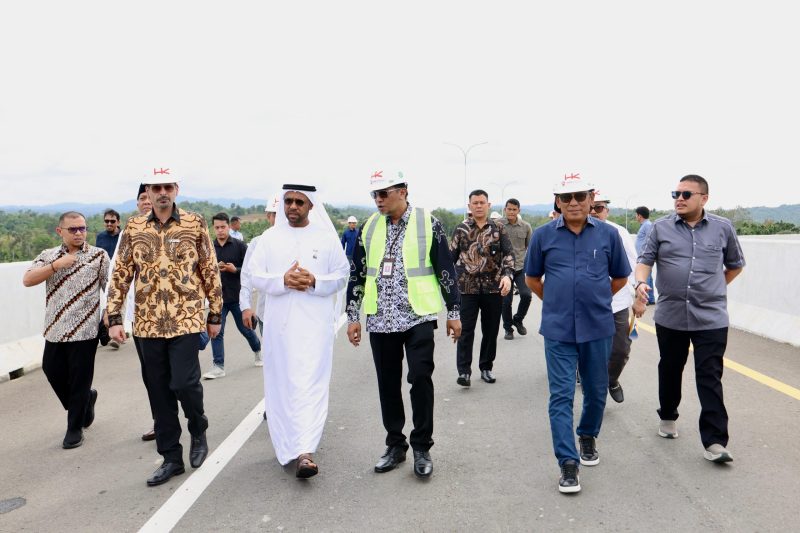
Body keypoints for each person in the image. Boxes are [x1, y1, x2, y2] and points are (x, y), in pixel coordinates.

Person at [106, 167, 223, 486]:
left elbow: (209, 268)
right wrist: (114, 316)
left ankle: (198, 428)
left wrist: (215, 313)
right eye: (156, 187)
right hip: (147, 324)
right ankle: (171, 457)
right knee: (158, 393)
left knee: (185, 384)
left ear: (176, 189)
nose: (162, 192)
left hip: (186, 318)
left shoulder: (194, 222)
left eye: (167, 186)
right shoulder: (133, 227)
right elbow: (121, 273)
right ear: (149, 190)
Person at [346, 170, 461, 479]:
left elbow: (445, 269)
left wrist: (454, 312)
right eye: (375, 195)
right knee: (388, 384)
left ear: (403, 191)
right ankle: (395, 445)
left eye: (384, 193)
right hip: (380, 319)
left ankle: (422, 446)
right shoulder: (368, 227)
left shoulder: (428, 223)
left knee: (420, 377)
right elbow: (357, 273)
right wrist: (353, 316)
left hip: (417, 316)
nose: (379, 199)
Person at [525, 173, 631, 494]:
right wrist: (558, 300)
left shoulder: (608, 235)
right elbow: (532, 279)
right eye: (566, 197)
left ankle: (587, 434)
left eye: (580, 196)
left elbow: (620, 278)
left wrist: (594, 300)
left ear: (590, 199)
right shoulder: (543, 236)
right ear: (557, 201)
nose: (573, 203)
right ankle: (567, 462)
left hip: (598, 326)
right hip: (558, 328)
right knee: (560, 395)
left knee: (597, 390)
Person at [633, 174, 744, 463]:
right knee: (670, 368)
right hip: (671, 315)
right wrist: (641, 283)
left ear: (703, 198)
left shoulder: (723, 228)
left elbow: (734, 265)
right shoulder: (661, 227)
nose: (679, 199)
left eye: (686, 194)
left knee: (709, 375)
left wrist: (714, 288)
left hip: (711, 317)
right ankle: (668, 414)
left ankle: (715, 441)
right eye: (676, 193)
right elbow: (644, 261)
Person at [248, 184, 350, 478]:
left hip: (315, 328)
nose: (292, 206)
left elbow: (342, 275)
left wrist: (314, 280)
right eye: (288, 201)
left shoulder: (327, 240)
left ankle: (305, 451)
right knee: (283, 386)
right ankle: (287, 445)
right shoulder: (269, 238)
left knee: (310, 384)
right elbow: (254, 275)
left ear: (311, 206)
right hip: (279, 329)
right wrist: (282, 279)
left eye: (299, 202)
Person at [23, 211, 109, 449]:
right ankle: (85, 401)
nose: (79, 233)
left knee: (80, 380)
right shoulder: (48, 255)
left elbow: (110, 288)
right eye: (73, 229)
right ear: (60, 231)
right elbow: (28, 280)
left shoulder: (99, 256)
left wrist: (109, 314)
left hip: (85, 331)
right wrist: (56, 265)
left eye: (82, 228)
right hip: (55, 329)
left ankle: (74, 429)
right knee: (53, 372)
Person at [451, 189, 514, 385]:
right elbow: (450, 259)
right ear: (469, 206)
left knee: (490, 330)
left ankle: (486, 367)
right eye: (475, 203)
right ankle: (464, 372)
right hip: (467, 289)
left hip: (492, 289)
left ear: (488, 205)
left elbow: (509, 255)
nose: (478, 206)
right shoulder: (460, 230)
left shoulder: (498, 229)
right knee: (465, 330)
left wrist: (508, 276)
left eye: (482, 202)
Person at [589, 190, 637, 403]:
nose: (595, 212)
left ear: (606, 211)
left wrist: (639, 297)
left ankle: (612, 379)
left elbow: (634, 266)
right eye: (592, 207)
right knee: (590, 351)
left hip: (616, 302)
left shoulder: (619, 232)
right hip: (587, 305)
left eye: (599, 208)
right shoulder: (574, 233)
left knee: (620, 349)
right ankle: (594, 391)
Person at [202, 212, 262, 379]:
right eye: (217, 228)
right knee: (216, 332)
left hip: (237, 297)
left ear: (229, 227)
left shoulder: (240, 246)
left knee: (246, 329)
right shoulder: (209, 248)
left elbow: (251, 271)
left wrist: (234, 269)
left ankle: (257, 349)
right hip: (217, 299)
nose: (220, 230)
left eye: (223, 227)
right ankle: (218, 366)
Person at [241, 193, 281, 336]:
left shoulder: (300, 242)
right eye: (274, 215)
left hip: (294, 313)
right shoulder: (257, 243)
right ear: (268, 216)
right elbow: (246, 275)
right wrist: (245, 306)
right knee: (271, 355)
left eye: (281, 214)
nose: (279, 219)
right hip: (266, 311)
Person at [499, 198, 533, 341]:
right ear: (505, 209)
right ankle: (508, 329)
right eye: (509, 209)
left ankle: (518, 319)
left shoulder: (526, 227)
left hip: (520, 267)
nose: (511, 212)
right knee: (506, 301)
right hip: (503, 270)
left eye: (514, 209)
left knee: (526, 295)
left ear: (518, 211)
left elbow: (530, 248)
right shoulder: (497, 225)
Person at [635, 206, 655, 305]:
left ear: (640, 215)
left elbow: (650, 240)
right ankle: (650, 298)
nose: (636, 217)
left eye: (636, 215)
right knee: (648, 278)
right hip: (643, 256)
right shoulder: (645, 225)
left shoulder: (647, 225)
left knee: (644, 278)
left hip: (644, 257)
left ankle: (645, 299)